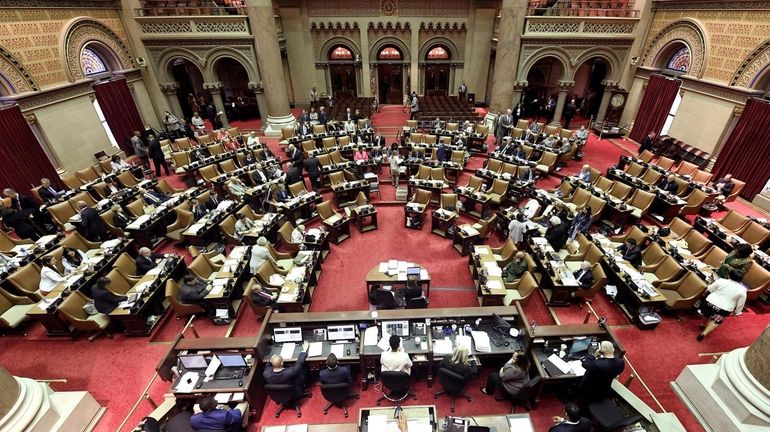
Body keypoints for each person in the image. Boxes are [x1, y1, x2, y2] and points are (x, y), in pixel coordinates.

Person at [697, 270, 747, 341]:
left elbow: (709, 289)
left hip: (710, 302)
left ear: (729, 275)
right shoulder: (743, 289)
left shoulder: (721, 281)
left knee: (707, 314)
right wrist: (737, 312)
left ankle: (702, 324)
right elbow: (741, 303)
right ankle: (704, 333)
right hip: (724, 308)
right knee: (716, 320)